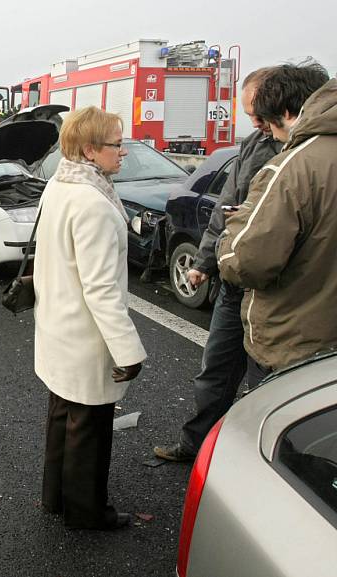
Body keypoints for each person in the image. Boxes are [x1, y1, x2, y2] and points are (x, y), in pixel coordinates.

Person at [153, 68, 283, 462]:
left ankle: (258, 466)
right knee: (215, 372)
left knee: (268, 384)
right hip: (234, 283)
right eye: (249, 114)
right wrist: (206, 263)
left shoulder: (302, 152)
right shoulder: (254, 144)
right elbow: (224, 212)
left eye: (259, 112)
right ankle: (197, 447)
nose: (256, 122)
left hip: (273, 289)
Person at [33, 106, 146, 530]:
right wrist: (128, 351)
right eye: (118, 144)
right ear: (90, 149)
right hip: (85, 333)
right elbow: (101, 290)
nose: (124, 153)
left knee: (63, 416)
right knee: (90, 428)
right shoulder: (93, 203)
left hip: (59, 324)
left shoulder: (59, 185)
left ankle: (56, 499)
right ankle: (87, 512)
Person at [217, 61, 334, 387]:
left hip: (293, 341)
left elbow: (248, 263)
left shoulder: (291, 168)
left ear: (285, 112)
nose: (263, 130)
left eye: (266, 121)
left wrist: (232, 236)